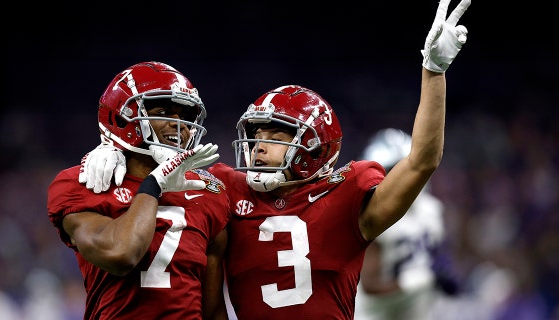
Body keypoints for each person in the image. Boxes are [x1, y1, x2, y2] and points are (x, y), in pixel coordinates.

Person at [79, 0, 471, 318]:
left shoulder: (348, 196)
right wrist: (114, 145)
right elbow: (163, 168)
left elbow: (422, 161)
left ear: (317, 145)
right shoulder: (227, 188)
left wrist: (433, 71)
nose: (258, 147)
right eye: (255, 135)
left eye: (277, 136)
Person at [47, 61, 231, 320]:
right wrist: (153, 185)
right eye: (163, 111)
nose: (178, 125)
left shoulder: (209, 192)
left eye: (186, 116)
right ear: (122, 116)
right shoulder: (86, 182)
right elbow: (121, 254)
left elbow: (212, 310)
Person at [353, 128, 459, 320]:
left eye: (401, 170)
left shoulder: (432, 210)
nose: (397, 180)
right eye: (390, 172)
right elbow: (370, 285)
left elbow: (437, 256)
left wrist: (444, 273)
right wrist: (423, 279)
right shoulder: (373, 215)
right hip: (376, 313)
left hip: (418, 310)